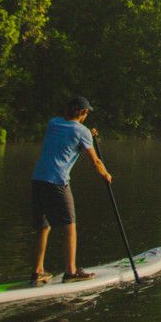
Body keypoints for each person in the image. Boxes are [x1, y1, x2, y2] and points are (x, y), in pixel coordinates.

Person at [30, 95, 112, 285]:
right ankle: (71, 271)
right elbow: (96, 161)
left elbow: (68, 134)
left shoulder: (53, 123)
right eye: (86, 113)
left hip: (38, 179)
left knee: (44, 227)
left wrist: (87, 134)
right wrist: (106, 175)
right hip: (57, 182)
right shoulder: (82, 131)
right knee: (70, 227)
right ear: (82, 112)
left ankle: (37, 270)